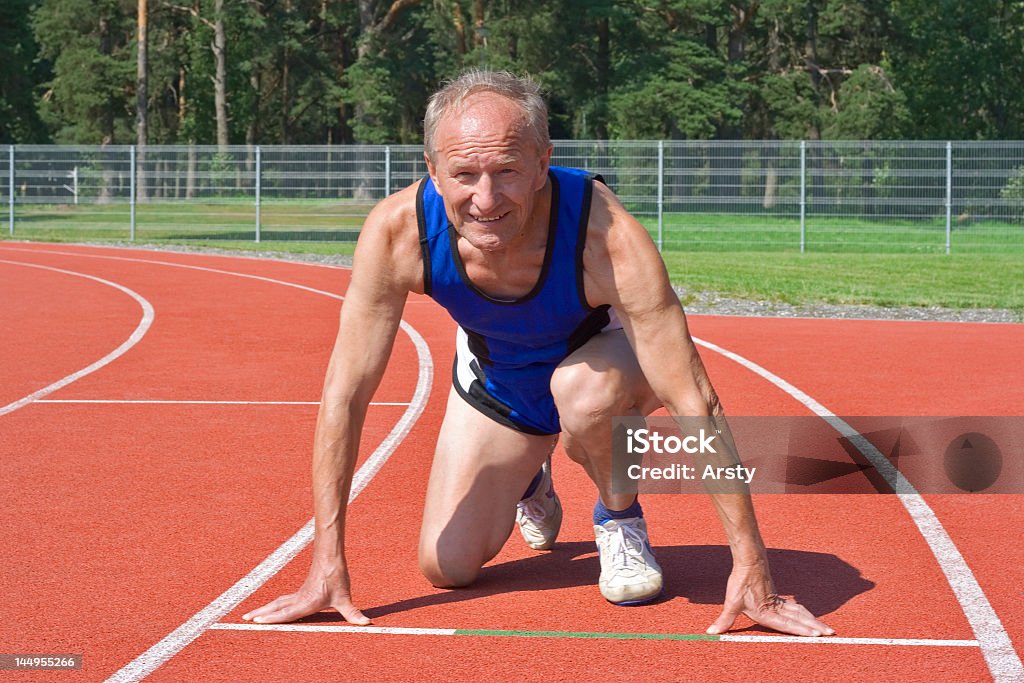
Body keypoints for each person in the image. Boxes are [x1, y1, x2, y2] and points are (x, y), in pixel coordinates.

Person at [243, 69, 834, 637]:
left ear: (543, 163)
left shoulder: (605, 234)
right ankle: (534, 478)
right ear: (431, 170)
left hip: (602, 366)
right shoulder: (400, 234)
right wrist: (325, 562)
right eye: (464, 174)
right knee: (446, 567)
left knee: (581, 394)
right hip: (501, 380)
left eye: (506, 171)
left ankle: (618, 517)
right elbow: (345, 396)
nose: (485, 198)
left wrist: (752, 565)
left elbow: (692, 397)